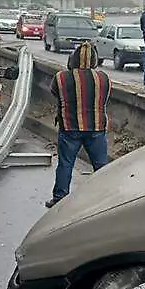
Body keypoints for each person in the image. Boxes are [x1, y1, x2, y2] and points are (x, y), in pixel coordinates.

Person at [48, 41, 111, 208]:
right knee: (101, 166)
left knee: (66, 164)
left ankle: (60, 199)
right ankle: (104, 199)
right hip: (96, 127)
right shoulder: (102, 77)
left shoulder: (61, 77)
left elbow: (54, 92)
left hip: (70, 127)